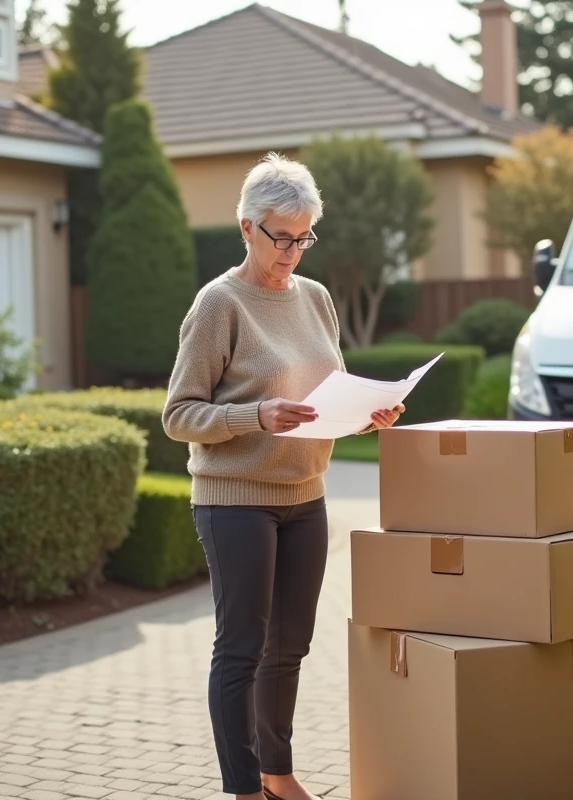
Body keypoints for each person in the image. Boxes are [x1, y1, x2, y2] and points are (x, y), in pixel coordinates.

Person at [162, 152, 403, 800]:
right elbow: (178, 415)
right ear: (247, 227)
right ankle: (243, 787)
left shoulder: (316, 299)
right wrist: (255, 415)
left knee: (289, 648)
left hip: (307, 496)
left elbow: (327, 396)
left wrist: (368, 415)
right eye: (281, 238)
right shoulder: (219, 304)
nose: (292, 252)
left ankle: (277, 774)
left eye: (303, 238)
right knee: (242, 647)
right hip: (236, 500)